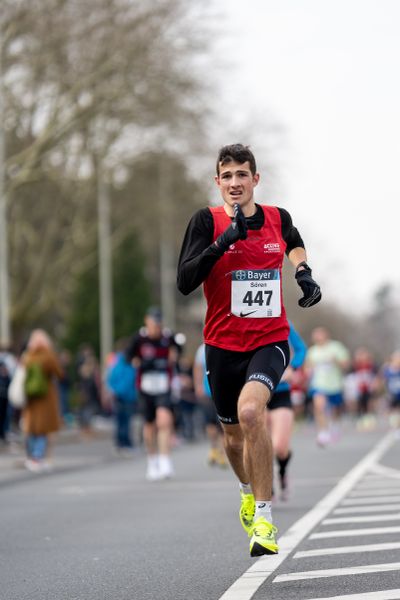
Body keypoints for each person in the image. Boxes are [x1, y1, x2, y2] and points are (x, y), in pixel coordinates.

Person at [177, 144, 321, 557]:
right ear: (217, 182)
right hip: (221, 344)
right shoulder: (206, 221)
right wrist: (222, 242)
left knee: (252, 412)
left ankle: (264, 519)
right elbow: (185, 281)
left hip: (269, 339)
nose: (235, 183)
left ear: (255, 179)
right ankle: (245, 489)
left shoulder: (278, 217)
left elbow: (293, 242)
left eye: (243, 175)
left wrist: (304, 273)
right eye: (227, 176)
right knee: (232, 437)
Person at [126, 307, 179, 481]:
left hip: (163, 385)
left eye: (158, 323)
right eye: (153, 323)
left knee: (164, 420)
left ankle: (165, 459)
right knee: (149, 425)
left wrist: (174, 354)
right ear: (146, 322)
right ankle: (152, 460)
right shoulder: (139, 339)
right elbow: (128, 356)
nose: (156, 327)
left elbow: (178, 350)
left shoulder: (167, 337)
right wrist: (136, 361)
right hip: (145, 387)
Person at [267, 322, 307, 501]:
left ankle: (282, 473)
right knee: (260, 444)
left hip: (280, 392)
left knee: (280, 447)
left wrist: (293, 367)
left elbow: (301, 349)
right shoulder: (242, 317)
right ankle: (266, 485)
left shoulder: (283, 322)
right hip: (253, 393)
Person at [21, 329, 63, 472]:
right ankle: (38, 457)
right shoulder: (48, 356)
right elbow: (59, 373)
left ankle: (32, 456)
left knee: (32, 428)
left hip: (30, 397)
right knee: (43, 429)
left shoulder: (27, 356)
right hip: (45, 398)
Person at [306, 326, 350, 446]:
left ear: (326, 335)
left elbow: (346, 364)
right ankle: (323, 432)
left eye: (320, 334)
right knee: (319, 406)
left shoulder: (336, 347)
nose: (318, 337)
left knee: (335, 409)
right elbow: (307, 367)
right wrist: (308, 370)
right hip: (319, 384)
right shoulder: (312, 351)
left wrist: (336, 361)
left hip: (335, 384)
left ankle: (334, 425)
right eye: (315, 335)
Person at [193, 342, 227, 468]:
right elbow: (197, 368)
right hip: (207, 393)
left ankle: (223, 453)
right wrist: (198, 387)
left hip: (223, 392)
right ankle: (214, 449)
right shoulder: (202, 349)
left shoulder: (226, 345)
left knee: (223, 424)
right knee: (211, 423)